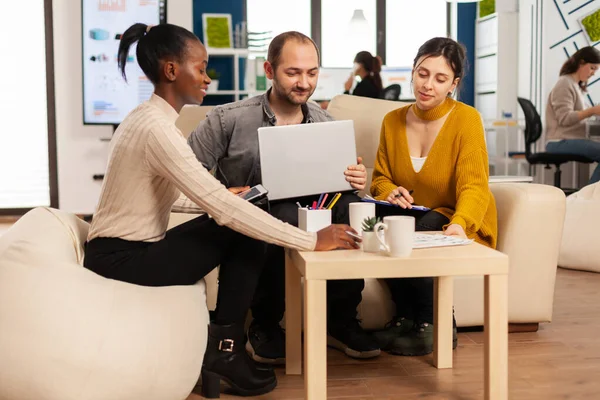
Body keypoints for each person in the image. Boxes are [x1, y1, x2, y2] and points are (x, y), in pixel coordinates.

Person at [83, 23, 360, 399]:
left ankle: (224, 349)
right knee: (240, 223)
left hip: (123, 249)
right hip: (121, 258)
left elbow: (162, 195)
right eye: (200, 68)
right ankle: (224, 352)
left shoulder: (150, 119)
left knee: (242, 213)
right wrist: (310, 239)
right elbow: (225, 212)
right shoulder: (158, 130)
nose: (207, 78)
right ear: (171, 71)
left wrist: (224, 193)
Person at [188, 31, 381, 365]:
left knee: (355, 208)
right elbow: (184, 170)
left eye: (312, 73)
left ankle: (340, 320)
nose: (304, 83)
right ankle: (264, 324)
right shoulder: (228, 118)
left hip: (317, 209)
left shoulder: (324, 123)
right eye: (293, 73)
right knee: (280, 213)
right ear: (269, 70)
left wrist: (356, 180)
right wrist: (220, 193)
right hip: (259, 219)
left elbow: (345, 185)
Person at [369, 37, 498, 356]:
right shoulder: (392, 120)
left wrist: (461, 223)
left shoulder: (467, 120)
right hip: (412, 213)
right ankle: (405, 316)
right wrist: (390, 191)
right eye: (423, 73)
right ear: (412, 72)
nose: (428, 85)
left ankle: (437, 323)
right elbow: (380, 179)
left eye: (440, 79)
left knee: (419, 231)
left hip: (456, 214)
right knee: (377, 229)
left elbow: (474, 186)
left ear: (453, 84)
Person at [545, 46, 600, 184]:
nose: (593, 73)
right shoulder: (565, 83)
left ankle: (590, 197)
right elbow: (565, 118)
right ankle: (589, 197)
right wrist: (592, 111)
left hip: (570, 140)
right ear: (581, 63)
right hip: (558, 142)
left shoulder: (576, 86)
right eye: (592, 68)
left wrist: (593, 111)